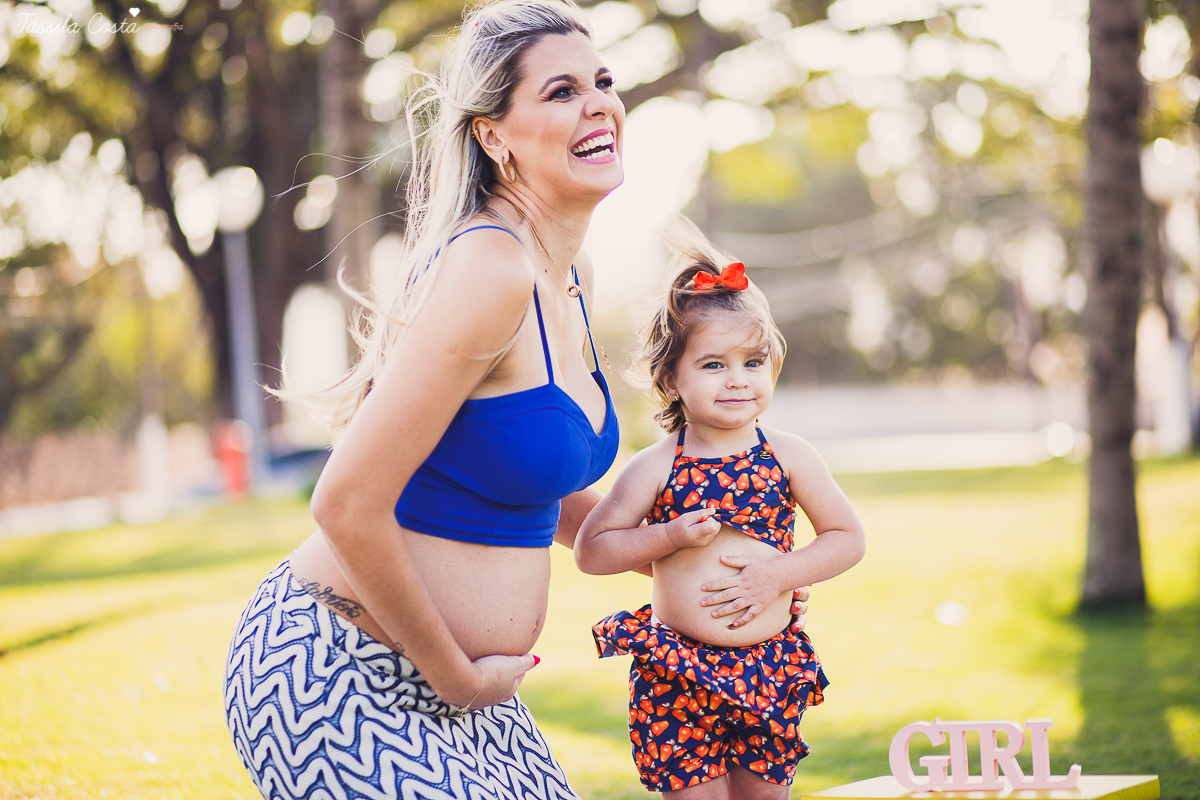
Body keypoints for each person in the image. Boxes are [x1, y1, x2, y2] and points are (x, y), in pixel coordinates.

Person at [575, 221, 865, 799]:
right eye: (713, 365)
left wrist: (780, 574)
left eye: (753, 362)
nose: (737, 380)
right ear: (670, 378)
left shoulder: (788, 456)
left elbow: (846, 537)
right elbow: (593, 551)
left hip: (768, 668)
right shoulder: (656, 466)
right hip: (677, 672)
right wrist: (668, 536)